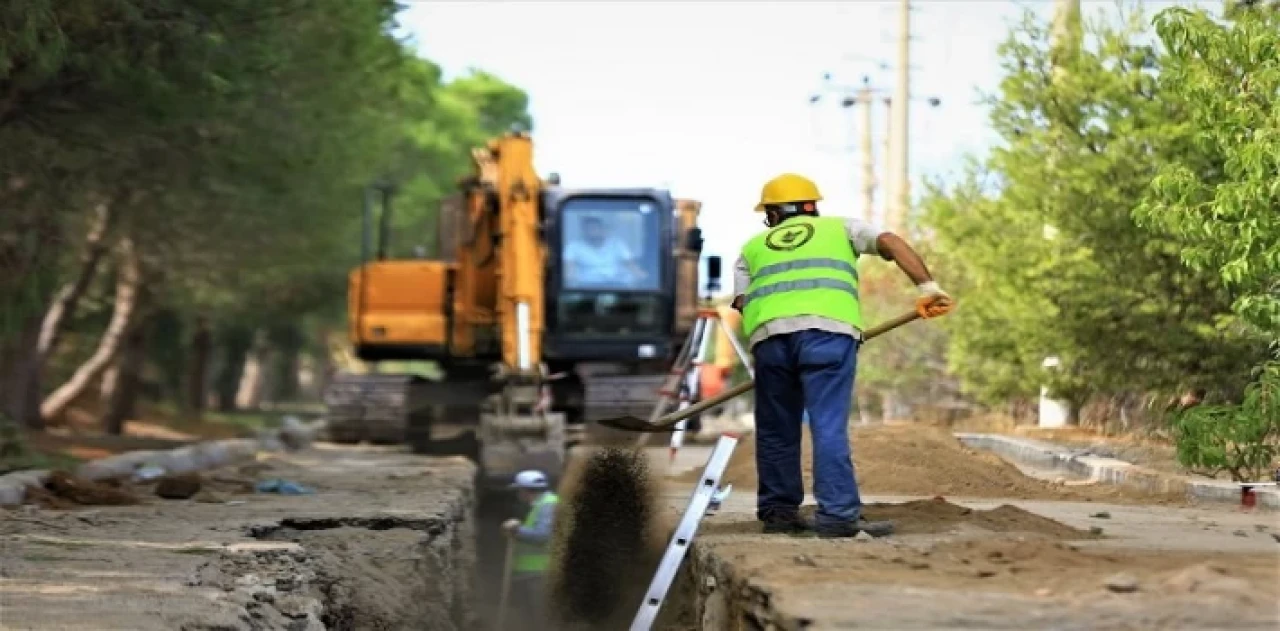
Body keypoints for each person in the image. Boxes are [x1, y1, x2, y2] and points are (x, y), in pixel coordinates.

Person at [731, 173, 953, 538]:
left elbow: (742, 302)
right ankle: (836, 517)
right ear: (811, 207)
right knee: (827, 426)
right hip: (828, 335)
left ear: (773, 214)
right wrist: (928, 288)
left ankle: (779, 514)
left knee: (775, 430)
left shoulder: (752, 248)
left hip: (770, 338)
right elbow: (891, 242)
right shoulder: (841, 228)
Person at [500, 470, 559, 628]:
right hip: (533, 572)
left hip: (540, 572)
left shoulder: (548, 505)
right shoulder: (541, 505)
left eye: (519, 490)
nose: (518, 494)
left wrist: (517, 530)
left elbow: (542, 535)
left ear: (525, 490)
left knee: (539, 618)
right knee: (531, 617)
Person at [563, 215, 648, 287]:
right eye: (588, 229)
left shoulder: (617, 244)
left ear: (602, 229)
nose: (591, 232)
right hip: (587, 286)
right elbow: (569, 270)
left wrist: (644, 279)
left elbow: (631, 265)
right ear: (583, 231)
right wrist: (569, 281)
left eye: (594, 228)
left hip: (617, 285)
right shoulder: (573, 246)